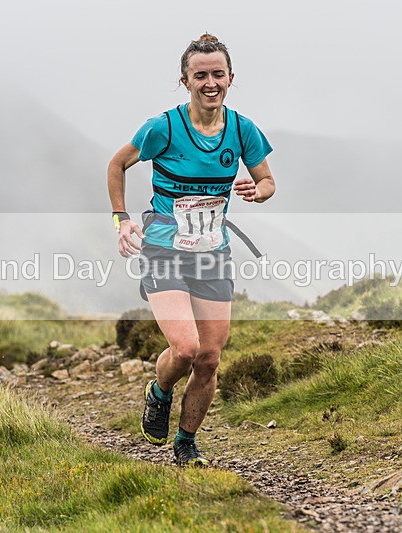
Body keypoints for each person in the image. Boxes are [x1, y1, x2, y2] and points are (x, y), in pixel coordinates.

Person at [107, 34, 275, 467]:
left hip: (213, 253)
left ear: (231, 77)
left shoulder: (242, 129)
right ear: (185, 81)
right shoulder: (162, 127)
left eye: (218, 74)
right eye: (200, 75)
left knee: (209, 359)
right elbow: (117, 164)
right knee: (184, 349)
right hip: (163, 250)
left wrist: (259, 191)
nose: (210, 83)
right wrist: (122, 219)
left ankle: (186, 443)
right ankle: (159, 391)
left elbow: (268, 181)